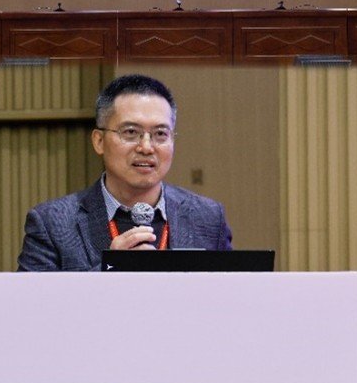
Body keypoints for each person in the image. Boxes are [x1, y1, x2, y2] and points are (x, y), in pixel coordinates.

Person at [16, 73, 233, 272]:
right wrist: (108, 270)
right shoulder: (51, 223)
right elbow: (31, 300)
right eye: (130, 132)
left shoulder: (208, 217)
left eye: (160, 134)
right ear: (99, 141)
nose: (146, 147)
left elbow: (230, 295)